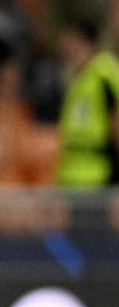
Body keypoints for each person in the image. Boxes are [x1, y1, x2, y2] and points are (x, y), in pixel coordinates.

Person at [54, 17, 119, 189]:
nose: (63, 43)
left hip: (98, 172)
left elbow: (115, 119)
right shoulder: (76, 75)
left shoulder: (104, 72)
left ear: (80, 38)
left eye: (68, 37)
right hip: (72, 173)